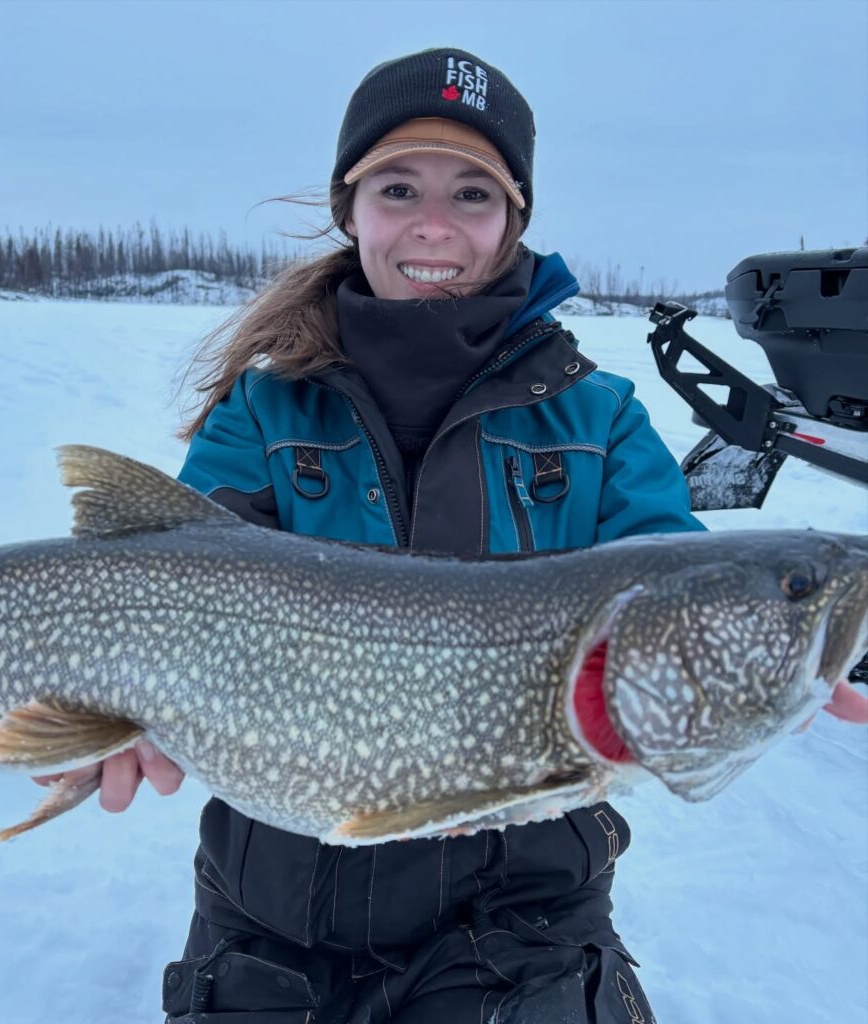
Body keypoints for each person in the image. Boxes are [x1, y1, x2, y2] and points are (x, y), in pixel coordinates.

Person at [41, 48, 704, 1021]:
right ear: (350, 209)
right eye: (399, 188)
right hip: (272, 913)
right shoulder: (262, 412)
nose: (434, 227)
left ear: (513, 216)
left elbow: (685, 593)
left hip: (524, 917)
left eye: (472, 192)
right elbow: (173, 573)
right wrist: (108, 697)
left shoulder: (599, 419)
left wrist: (838, 650)